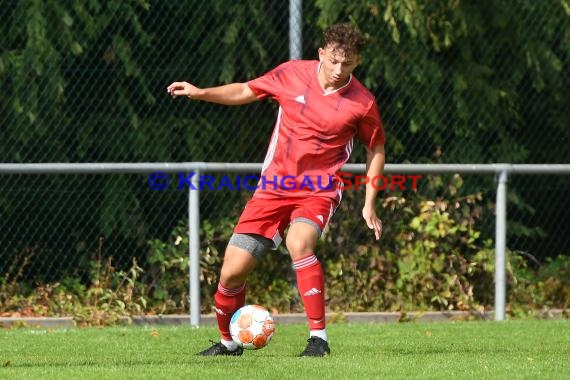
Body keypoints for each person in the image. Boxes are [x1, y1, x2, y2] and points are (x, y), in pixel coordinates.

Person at [167, 23, 385, 357]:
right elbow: (245, 91)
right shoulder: (291, 74)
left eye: (349, 64)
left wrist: (369, 203)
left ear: (357, 62)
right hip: (273, 187)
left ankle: (319, 340)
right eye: (335, 61)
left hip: (319, 189)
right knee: (232, 271)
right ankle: (228, 344)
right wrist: (201, 93)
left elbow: (376, 149)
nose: (340, 70)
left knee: (299, 242)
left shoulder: (362, 102)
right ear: (322, 54)